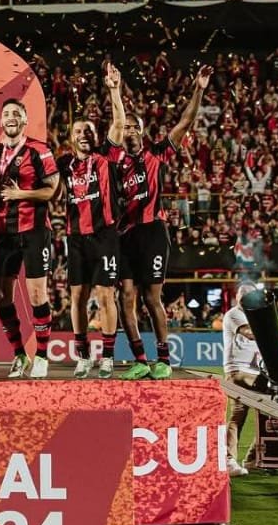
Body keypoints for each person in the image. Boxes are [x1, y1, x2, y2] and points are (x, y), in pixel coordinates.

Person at [108, 63, 213, 380]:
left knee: (152, 298)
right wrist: (114, 89)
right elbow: (116, 119)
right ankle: (140, 358)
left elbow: (186, 120)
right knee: (125, 296)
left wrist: (199, 89)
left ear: (141, 131)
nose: (128, 133)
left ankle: (163, 358)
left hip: (153, 231)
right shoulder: (115, 160)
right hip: (125, 234)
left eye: (133, 128)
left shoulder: (157, 153)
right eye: (124, 128)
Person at [0, 99, 60, 379]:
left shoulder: (39, 150)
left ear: (24, 121)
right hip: (4, 232)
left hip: (34, 230)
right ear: (1, 122)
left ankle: (43, 356)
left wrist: (20, 194)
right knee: (2, 296)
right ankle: (19, 355)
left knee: (37, 294)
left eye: (16, 114)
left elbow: (51, 191)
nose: (10, 117)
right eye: (6, 114)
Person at [59, 63, 124, 380]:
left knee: (105, 295)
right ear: (71, 138)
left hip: (104, 235)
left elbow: (120, 124)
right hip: (75, 238)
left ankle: (108, 357)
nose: (84, 135)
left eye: (89, 131)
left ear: (97, 136)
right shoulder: (63, 164)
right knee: (77, 297)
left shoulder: (106, 159)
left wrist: (114, 91)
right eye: (78, 132)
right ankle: (83, 356)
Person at [222, 283, 261, 476]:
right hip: (238, 369)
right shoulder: (234, 314)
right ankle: (228, 460)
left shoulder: (255, 315)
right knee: (238, 414)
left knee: (267, 416)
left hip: (257, 372)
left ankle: (253, 458)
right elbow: (249, 333)